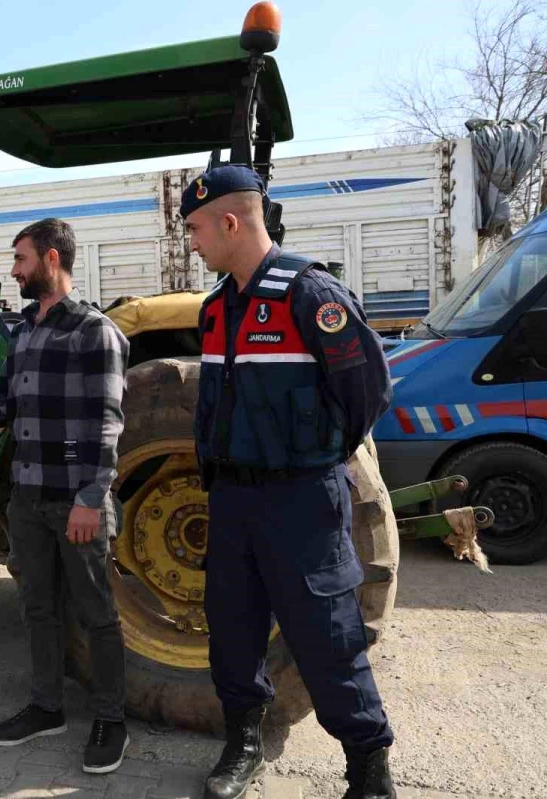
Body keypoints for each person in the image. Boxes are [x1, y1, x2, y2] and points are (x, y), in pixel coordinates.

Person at [182, 166, 396, 799]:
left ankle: (368, 767)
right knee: (233, 628)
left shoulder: (311, 295)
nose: (191, 242)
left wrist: (315, 456)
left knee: (327, 635)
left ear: (230, 221)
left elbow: (367, 392)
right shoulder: (217, 308)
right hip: (233, 501)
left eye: (195, 228)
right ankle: (242, 742)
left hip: (301, 500)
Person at [0, 218, 131, 775]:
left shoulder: (94, 331)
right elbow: (1, 406)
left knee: (96, 612)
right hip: (28, 498)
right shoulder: (24, 330)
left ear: (49, 259)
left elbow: (107, 424)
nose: (14, 271)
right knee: (38, 607)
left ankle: (110, 719)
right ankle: (47, 707)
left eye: (20, 259)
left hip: (76, 500)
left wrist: (92, 498)